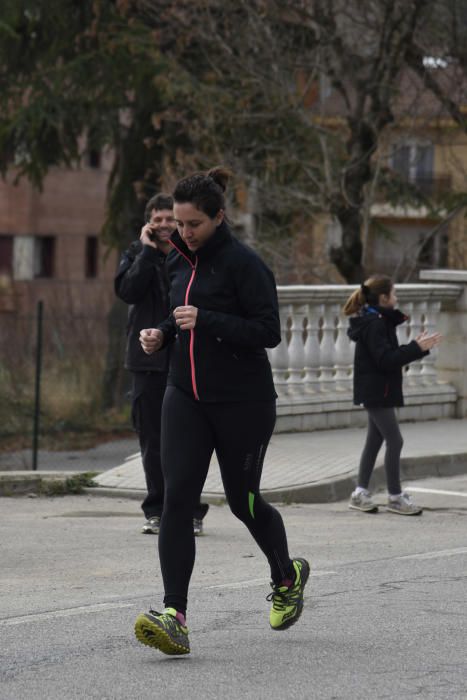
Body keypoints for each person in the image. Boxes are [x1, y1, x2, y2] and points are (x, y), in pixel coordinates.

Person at [133, 167, 309, 656]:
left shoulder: (244, 265)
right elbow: (178, 313)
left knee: (243, 500)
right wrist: (162, 333)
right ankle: (175, 617)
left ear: (218, 217)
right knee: (176, 501)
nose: (184, 233)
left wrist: (204, 319)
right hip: (184, 394)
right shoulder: (177, 264)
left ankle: (287, 575)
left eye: (194, 225)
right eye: (179, 225)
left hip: (243, 403)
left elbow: (267, 331)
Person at [114, 193, 209, 536]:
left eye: (170, 219)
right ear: (148, 224)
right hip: (147, 363)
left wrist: (171, 254)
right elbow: (128, 291)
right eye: (158, 220)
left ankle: (191, 511)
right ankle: (156, 510)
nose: (165, 225)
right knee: (151, 442)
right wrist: (147, 252)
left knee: (190, 442)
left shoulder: (192, 256)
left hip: (186, 360)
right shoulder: (135, 254)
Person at [343, 274, 441, 516]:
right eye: (394, 294)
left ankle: (360, 493)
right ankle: (395, 497)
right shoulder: (375, 323)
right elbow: (385, 360)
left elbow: (388, 356)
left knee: (374, 441)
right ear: (384, 297)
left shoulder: (379, 321)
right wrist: (416, 348)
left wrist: (413, 349)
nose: (396, 298)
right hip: (376, 391)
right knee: (395, 440)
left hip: (378, 389)